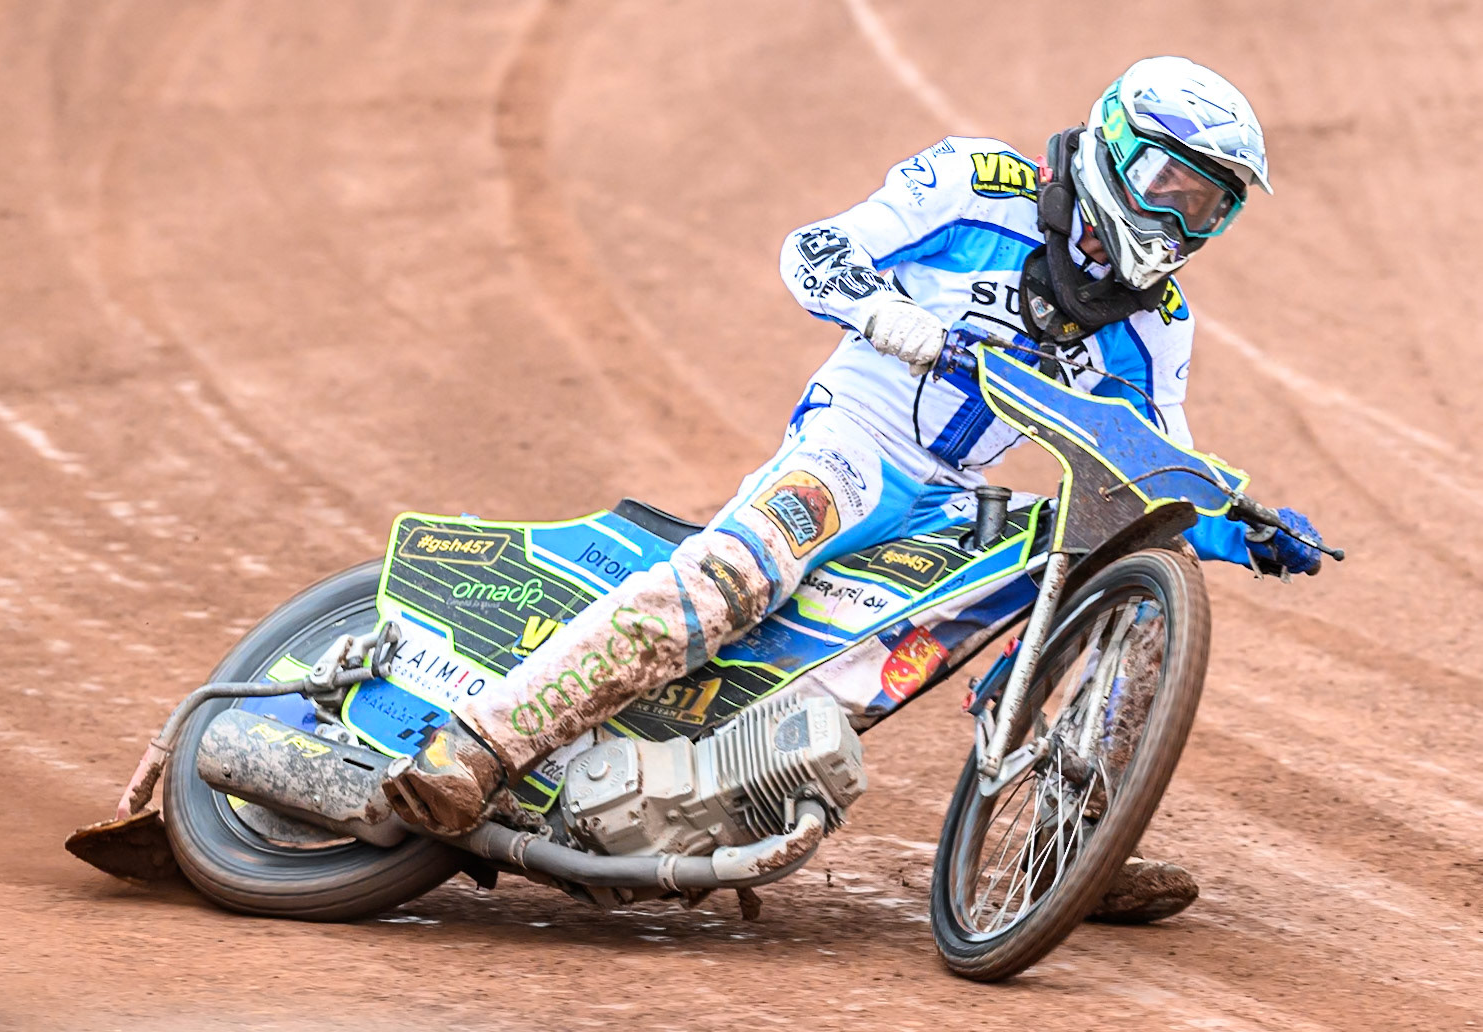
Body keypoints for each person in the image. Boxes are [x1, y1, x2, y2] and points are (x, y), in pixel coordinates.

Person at [381, 56, 1325, 921]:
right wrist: (892, 318)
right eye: (1170, 186)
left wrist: (1244, 531)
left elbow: (1149, 472)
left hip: (961, 498)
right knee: (731, 581)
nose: (1177, 222)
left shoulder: (1158, 323)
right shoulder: (973, 184)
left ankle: (1075, 840)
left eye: (1207, 208)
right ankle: (476, 748)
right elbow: (813, 250)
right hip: (853, 445)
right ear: (1115, 150)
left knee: (1120, 574)